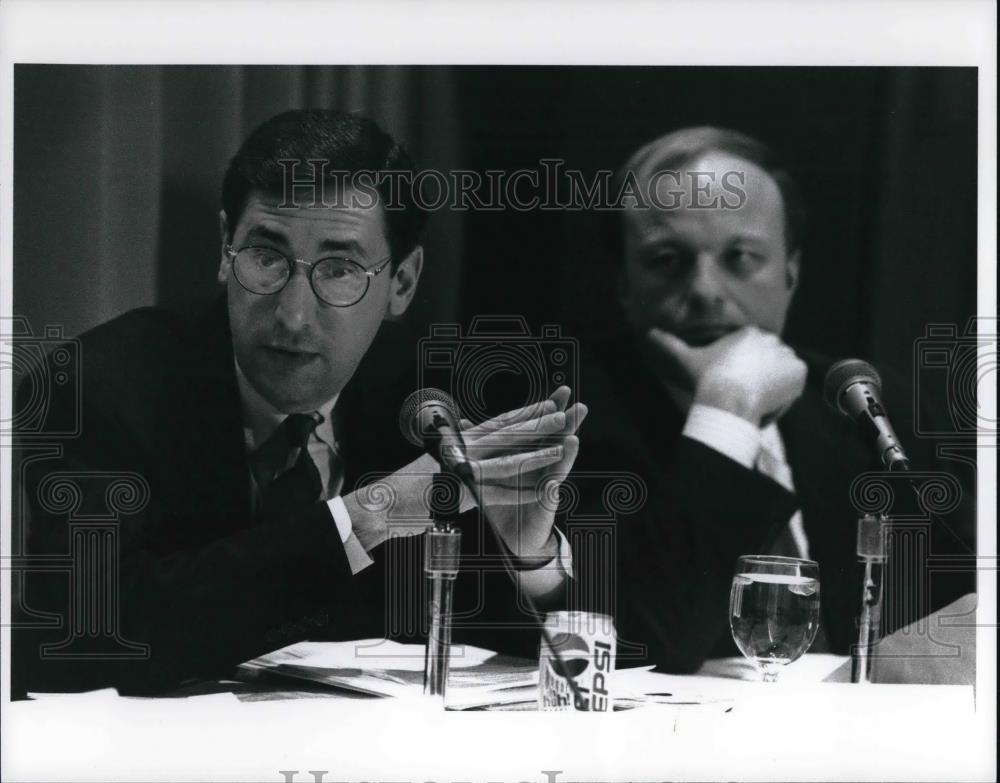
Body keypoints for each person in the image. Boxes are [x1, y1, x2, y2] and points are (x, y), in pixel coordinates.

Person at [12, 109, 584, 697]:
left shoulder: (437, 402)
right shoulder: (99, 386)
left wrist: (532, 560)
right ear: (223, 249)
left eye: (339, 269)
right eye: (266, 257)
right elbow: (98, 632)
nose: (292, 314)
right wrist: (372, 514)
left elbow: (552, 661)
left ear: (404, 283)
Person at [573, 126, 976, 672]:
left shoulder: (875, 407)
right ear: (624, 284)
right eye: (667, 259)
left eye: (740, 257)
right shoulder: (574, 427)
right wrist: (728, 409)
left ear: (791, 270)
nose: (705, 290)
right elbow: (648, 640)